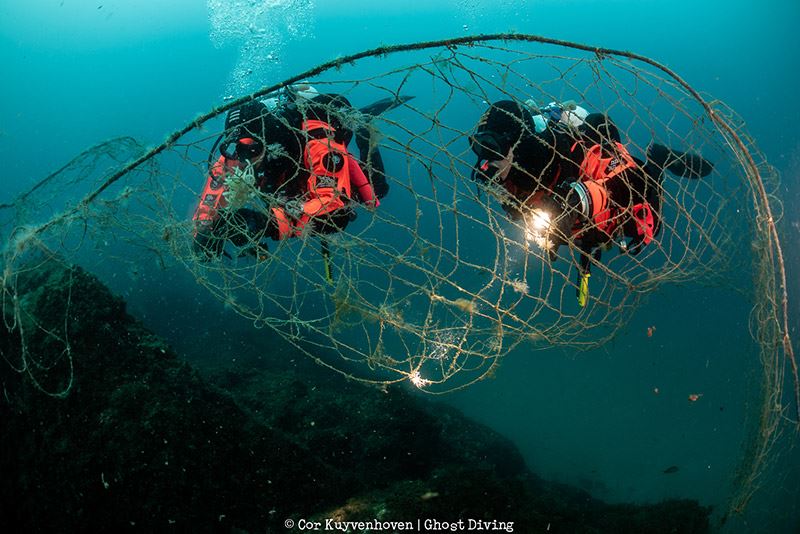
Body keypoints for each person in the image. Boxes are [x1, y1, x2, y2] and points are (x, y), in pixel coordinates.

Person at [469, 99, 713, 305]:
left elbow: (607, 185)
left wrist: (576, 199)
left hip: (613, 180)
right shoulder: (503, 176)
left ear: (516, 142)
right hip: (576, 220)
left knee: (646, 225)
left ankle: (658, 160)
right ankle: (588, 234)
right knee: (593, 234)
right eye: (478, 146)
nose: (485, 160)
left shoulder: (557, 153)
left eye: (492, 147)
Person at [192, 84, 411, 260]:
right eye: (238, 150)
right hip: (288, 185)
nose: (244, 159)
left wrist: (267, 224)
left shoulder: (317, 140)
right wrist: (203, 229)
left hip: (318, 170)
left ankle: (364, 129)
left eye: (252, 150)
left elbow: (333, 208)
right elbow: (211, 196)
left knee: (376, 191)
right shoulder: (241, 150)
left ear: (269, 142)